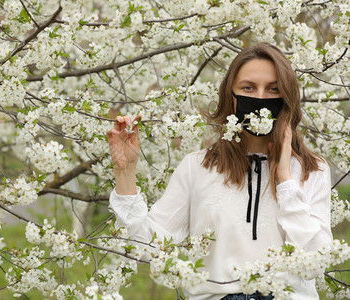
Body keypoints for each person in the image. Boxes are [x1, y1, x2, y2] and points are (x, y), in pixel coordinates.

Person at [106, 42, 332, 300]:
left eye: (273, 89)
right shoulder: (198, 167)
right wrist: (125, 171)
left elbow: (317, 259)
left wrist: (286, 182)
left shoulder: (311, 170)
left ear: (287, 97)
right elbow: (146, 245)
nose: (259, 98)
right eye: (248, 87)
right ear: (231, 96)